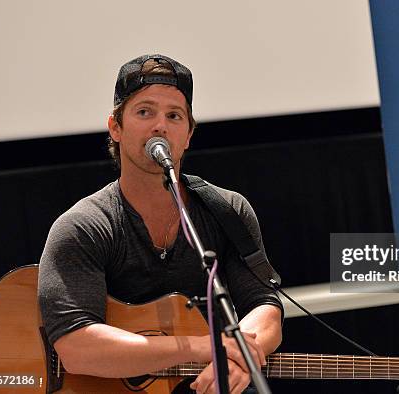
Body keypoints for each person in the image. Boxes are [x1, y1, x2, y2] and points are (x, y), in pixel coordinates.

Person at [38, 54, 283, 394]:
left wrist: (243, 356)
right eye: (144, 112)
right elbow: (76, 347)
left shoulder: (227, 211)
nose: (160, 126)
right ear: (115, 127)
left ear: (188, 135)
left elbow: (264, 306)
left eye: (174, 115)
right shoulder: (84, 226)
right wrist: (205, 347)